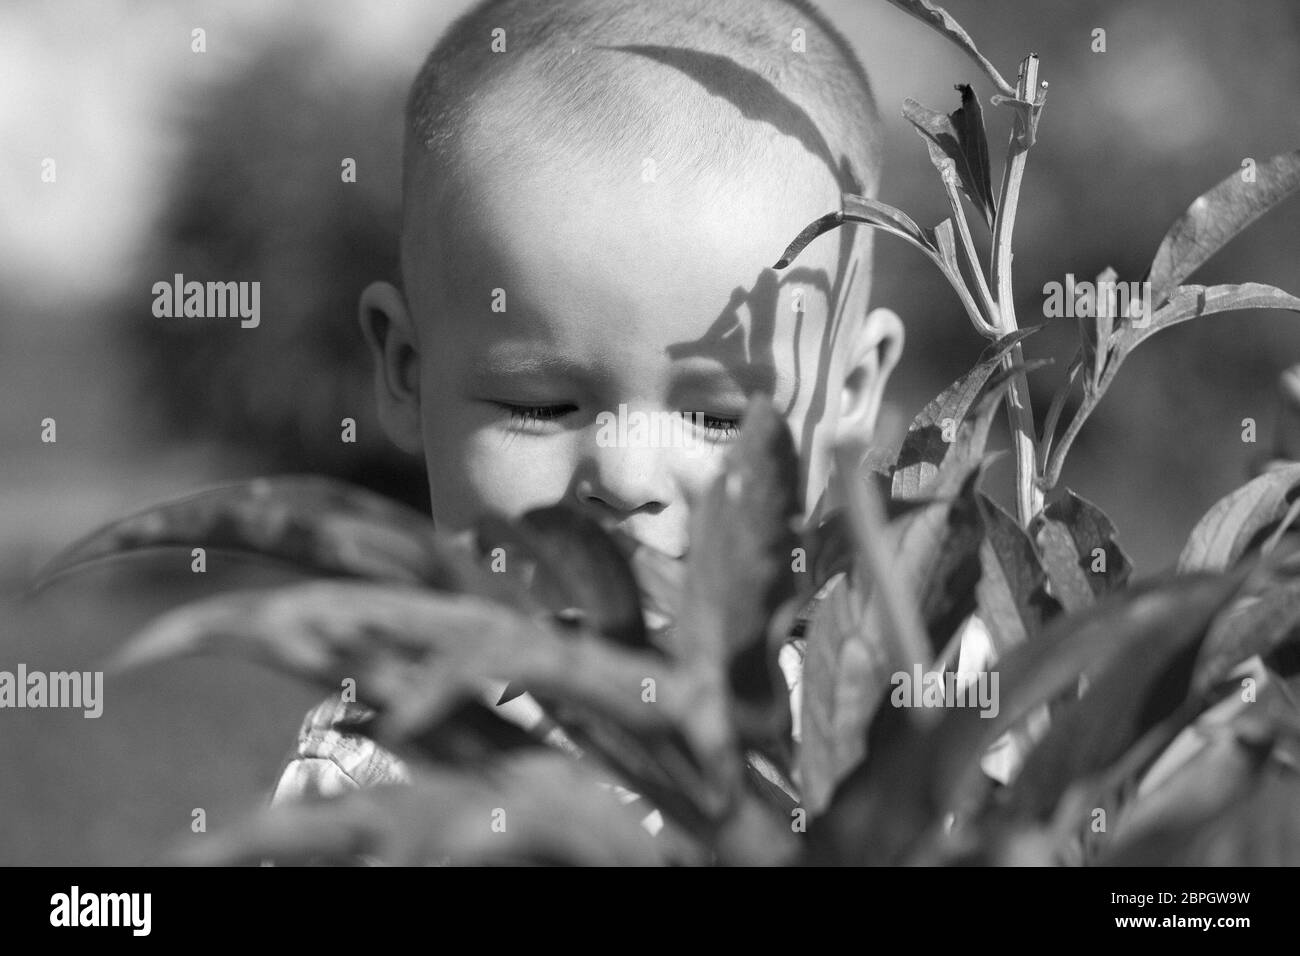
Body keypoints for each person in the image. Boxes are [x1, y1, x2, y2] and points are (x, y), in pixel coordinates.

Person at [272, 0, 905, 824]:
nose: (628, 476)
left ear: (848, 397)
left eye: (722, 422)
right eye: (539, 405)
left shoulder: (885, 737)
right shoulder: (379, 785)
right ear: (405, 373)